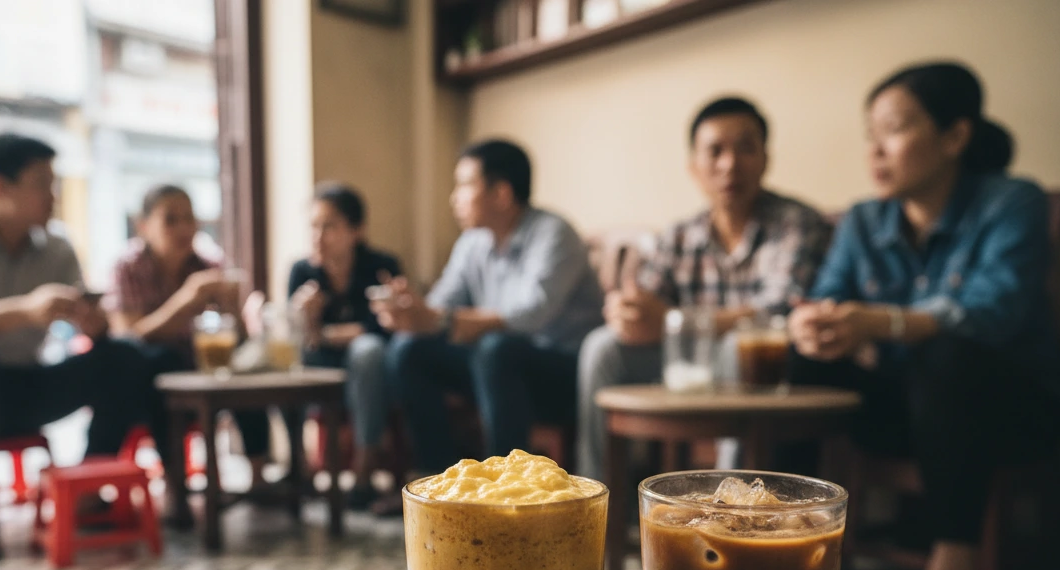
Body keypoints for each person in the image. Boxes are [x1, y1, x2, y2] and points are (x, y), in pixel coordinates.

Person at [787, 62, 1060, 570]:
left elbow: (993, 314)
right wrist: (815, 325)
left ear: (955, 136)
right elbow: (826, 297)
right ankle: (778, 535)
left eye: (893, 129)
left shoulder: (1013, 202)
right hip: (904, 410)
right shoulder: (865, 220)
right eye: (871, 135)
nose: (876, 150)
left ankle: (954, 568)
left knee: (946, 356)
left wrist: (883, 323)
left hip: (1003, 410)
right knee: (802, 359)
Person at [0, 132, 144, 561]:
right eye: (41, 183)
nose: (52, 195)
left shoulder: (57, 246)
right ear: (0, 185)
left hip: (25, 384)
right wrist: (24, 311)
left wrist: (95, 324)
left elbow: (93, 328)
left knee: (124, 357)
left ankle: (87, 492)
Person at [577, 97, 833, 480]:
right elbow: (649, 303)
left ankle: (727, 509)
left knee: (740, 345)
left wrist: (673, 320)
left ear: (766, 158)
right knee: (601, 346)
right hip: (689, 363)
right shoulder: (679, 234)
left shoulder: (798, 224)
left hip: (769, 371)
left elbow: (778, 310)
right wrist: (628, 312)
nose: (730, 164)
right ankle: (593, 499)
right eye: (715, 151)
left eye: (745, 148)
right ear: (693, 167)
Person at [373, 139, 602, 503]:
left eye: (465, 185)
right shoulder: (472, 242)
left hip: (562, 373)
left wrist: (439, 319)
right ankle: (441, 486)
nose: (454, 198)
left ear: (501, 192)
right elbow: (441, 307)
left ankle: (507, 493)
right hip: (497, 368)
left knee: (496, 349)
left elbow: (530, 315)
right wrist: (412, 314)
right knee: (409, 349)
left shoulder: (554, 234)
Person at [104, 184, 273, 492]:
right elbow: (127, 335)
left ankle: (260, 476)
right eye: (171, 219)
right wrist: (185, 301)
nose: (184, 228)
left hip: (201, 368)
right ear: (144, 226)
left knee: (242, 371)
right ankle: (175, 484)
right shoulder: (127, 267)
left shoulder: (208, 265)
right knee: (162, 365)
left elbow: (240, 339)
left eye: (189, 218)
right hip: (146, 381)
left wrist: (233, 308)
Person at [286, 182, 401, 509]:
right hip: (319, 359)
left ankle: (364, 470)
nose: (318, 236)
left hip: (367, 364)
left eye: (329, 226)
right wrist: (305, 320)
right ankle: (299, 466)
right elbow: (295, 338)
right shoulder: (302, 271)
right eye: (313, 226)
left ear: (356, 231)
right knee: (283, 361)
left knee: (368, 352)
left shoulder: (381, 266)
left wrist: (322, 333)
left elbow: (381, 330)